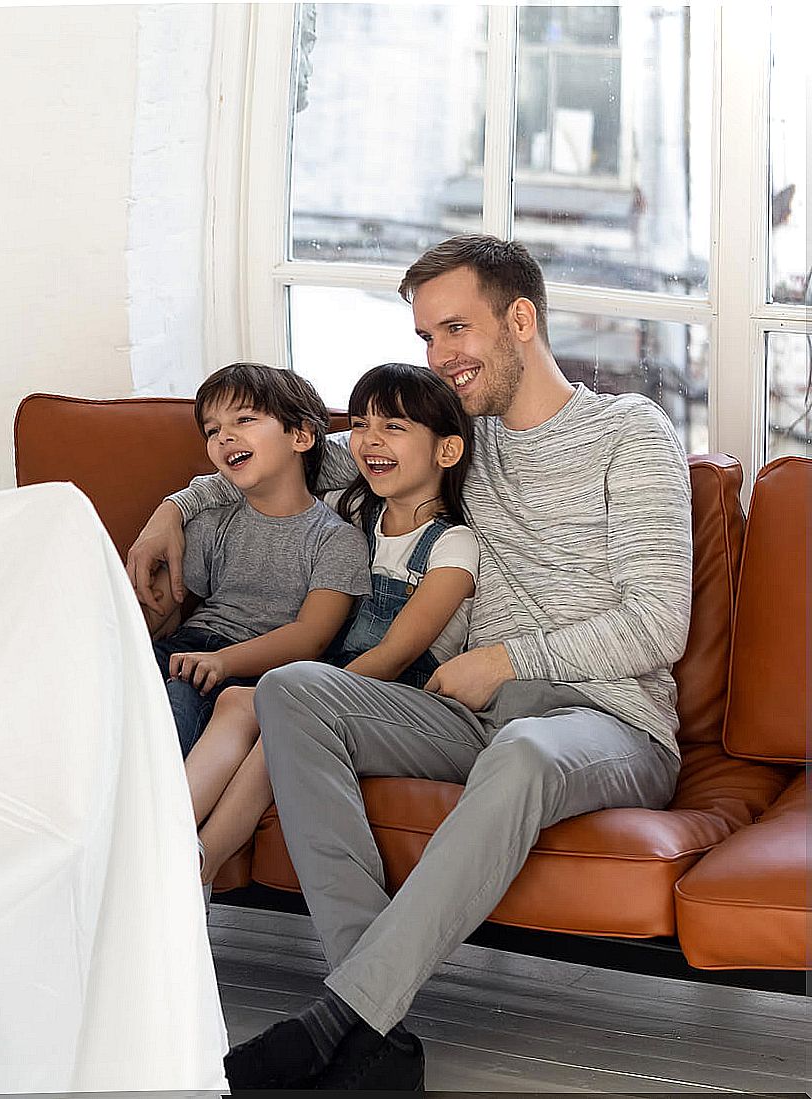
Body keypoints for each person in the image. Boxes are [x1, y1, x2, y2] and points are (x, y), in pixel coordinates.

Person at [128, 235, 691, 1090]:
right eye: (426, 336)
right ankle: (375, 1028)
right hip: (472, 714)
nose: (439, 356)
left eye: (455, 329)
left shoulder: (629, 433)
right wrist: (171, 509)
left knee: (526, 749)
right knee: (292, 690)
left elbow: (658, 623)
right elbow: (292, 453)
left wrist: (504, 657)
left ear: (521, 318)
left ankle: (342, 1014)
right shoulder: (452, 436)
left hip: (606, 721)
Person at [188, 362, 478, 893]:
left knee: (278, 712)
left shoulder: (452, 546)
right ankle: (169, 835)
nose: (369, 440)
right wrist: (172, 511)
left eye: (393, 427)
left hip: (397, 694)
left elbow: (392, 657)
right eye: (363, 424)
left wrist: (307, 689)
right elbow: (249, 486)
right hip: (332, 681)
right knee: (237, 701)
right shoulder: (350, 509)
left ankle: (200, 865)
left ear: (446, 451)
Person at [142, 363, 370, 756]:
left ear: (300, 436)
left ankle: (154, 809)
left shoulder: (338, 540)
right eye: (213, 431)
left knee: (176, 707)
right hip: (187, 649)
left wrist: (222, 662)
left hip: (256, 670)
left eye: (244, 419)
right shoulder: (211, 522)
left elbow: (310, 637)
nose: (225, 436)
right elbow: (161, 607)